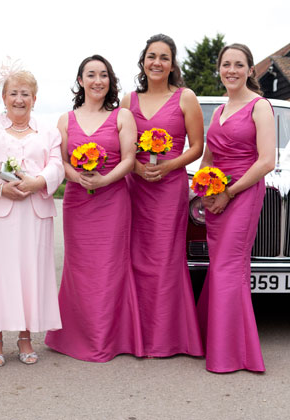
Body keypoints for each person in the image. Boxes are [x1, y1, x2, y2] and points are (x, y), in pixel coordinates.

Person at [45, 55, 143, 361]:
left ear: (110, 82)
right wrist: (76, 176)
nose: (97, 80)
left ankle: (108, 338)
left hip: (113, 201)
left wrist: (104, 181)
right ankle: (76, 335)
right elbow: (59, 160)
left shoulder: (122, 117)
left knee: (110, 267)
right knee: (80, 267)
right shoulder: (65, 120)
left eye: (103, 75)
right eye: (91, 75)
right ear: (80, 81)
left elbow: (129, 158)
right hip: (77, 201)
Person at [0, 68, 64, 367]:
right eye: (14, 93)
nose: (19, 99)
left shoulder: (48, 130)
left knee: (29, 273)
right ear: (4, 97)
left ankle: (25, 337)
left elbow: (57, 164)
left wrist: (39, 182)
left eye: (25, 94)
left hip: (34, 211)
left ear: (34, 99)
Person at [120, 34, 204, 358]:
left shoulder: (186, 98)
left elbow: (197, 146)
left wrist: (169, 166)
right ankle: (136, 334)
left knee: (166, 260)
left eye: (164, 57)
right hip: (136, 188)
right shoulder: (129, 101)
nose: (157, 62)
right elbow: (123, 147)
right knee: (136, 258)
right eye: (151, 56)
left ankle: (167, 337)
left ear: (172, 64)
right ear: (143, 61)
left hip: (169, 190)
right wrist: (137, 169)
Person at [196, 43, 276, 373]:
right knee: (224, 267)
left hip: (243, 193)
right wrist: (202, 190)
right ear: (219, 69)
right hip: (217, 195)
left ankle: (227, 354)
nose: (231, 70)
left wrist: (229, 192)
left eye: (238, 65)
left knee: (228, 266)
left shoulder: (260, 107)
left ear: (250, 70)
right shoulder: (218, 111)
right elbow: (209, 157)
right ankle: (229, 345)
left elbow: (267, 161)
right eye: (226, 64)